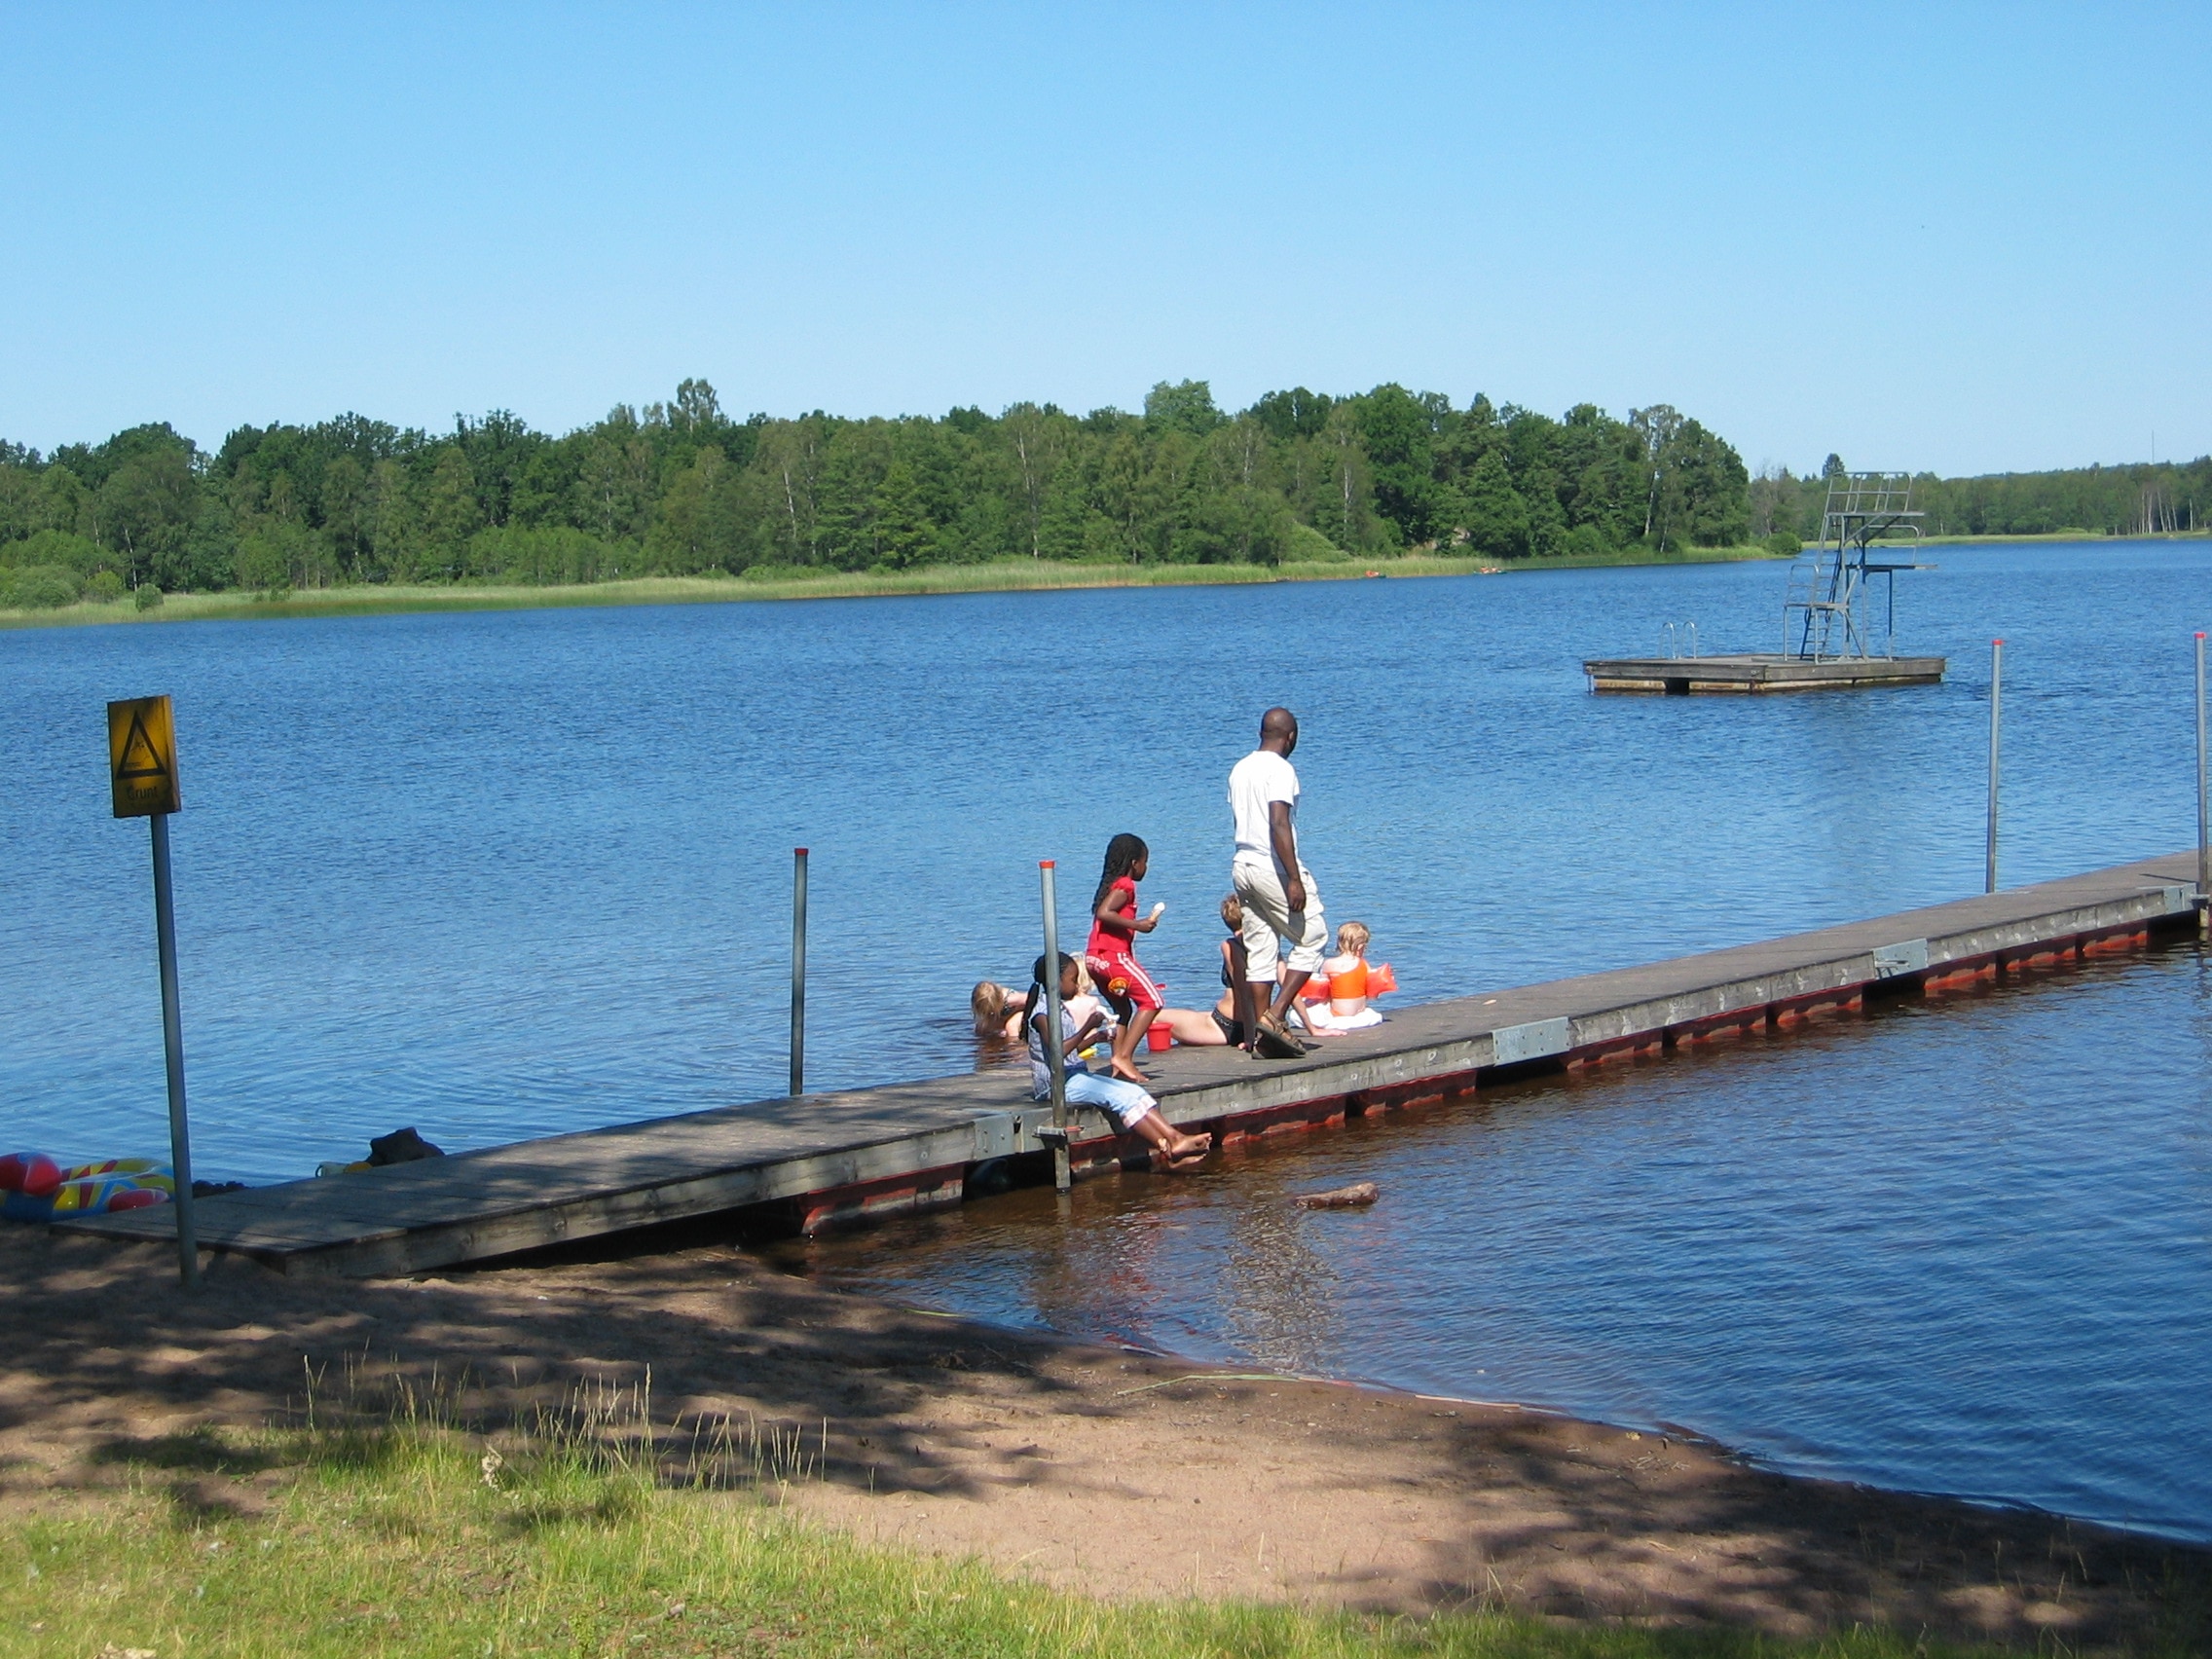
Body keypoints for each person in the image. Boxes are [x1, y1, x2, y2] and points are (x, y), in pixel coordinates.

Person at [1024, 951, 1210, 1167]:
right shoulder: (1042, 1014)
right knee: (1119, 1097)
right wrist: (1088, 1026)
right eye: (1073, 980)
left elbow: (1067, 1050)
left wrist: (1096, 1038)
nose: (1076, 986)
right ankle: (1168, 1144)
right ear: (1056, 981)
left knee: (1133, 1091)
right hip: (1055, 1085)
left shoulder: (1059, 1008)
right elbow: (1057, 1053)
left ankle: (1173, 1141)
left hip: (1073, 1075)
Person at [1227, 706, 1328, 1057]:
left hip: (1242, 863)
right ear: (1291, 737)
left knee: (1261, 948)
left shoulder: (1240, 768)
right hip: (1273, 866)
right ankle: (1276, 1015)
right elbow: (1278, 822)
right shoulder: (1281, 769)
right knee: (1313, 935)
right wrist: (1294, 879)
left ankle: (1259, 1040)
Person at [1086, 832, 1166, 1083]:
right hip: (1112, 957)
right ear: (1134, 863)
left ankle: (1118, 1066)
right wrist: (1138, 925)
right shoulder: (1126, 885)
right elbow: (1104, 912)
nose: (1146, 867)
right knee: (1153, 1001)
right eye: (1144, 861)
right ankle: (1124, 1057)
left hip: (1093, 959)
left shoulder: (1111, 883)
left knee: (1122, 1009)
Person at [1302, 920, 1385, 1033]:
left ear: (1339, 943)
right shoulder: (1364, 964)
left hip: (1339, 1016)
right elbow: (1372, 995)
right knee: (1372, 1014)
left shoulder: (1329, 964)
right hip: (1361, 1015)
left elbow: (1323, 994)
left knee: (1297, 1014)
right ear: (1361, 947)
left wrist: (1308, 1002)